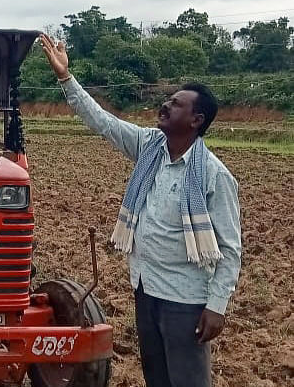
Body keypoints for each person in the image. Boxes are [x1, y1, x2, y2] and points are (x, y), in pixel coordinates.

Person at [39, 34, 241, 387]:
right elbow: (102, 122)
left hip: (186, 300)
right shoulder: (149, 146)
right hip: (146, 290)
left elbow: (230, 249)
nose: (165, 105)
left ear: (195, 121)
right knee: (157, 379)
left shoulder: (214, 176)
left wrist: (217, 306)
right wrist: (65, 78)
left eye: (176, 104)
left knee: (188, 381)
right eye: (168, 100)